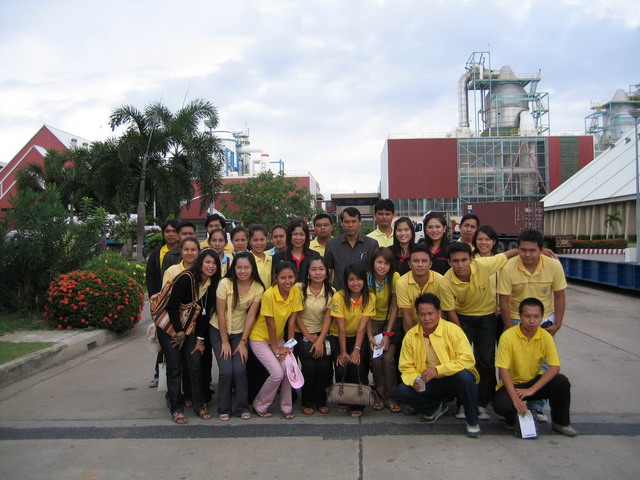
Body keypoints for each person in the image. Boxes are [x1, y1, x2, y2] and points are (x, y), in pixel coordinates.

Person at [438, 242, 519, 420]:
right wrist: (460, 333)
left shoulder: (484, 265)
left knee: (486, 361)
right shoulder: (445, 282)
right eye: (455, 261)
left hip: (487, 317)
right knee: (462, 361)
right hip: (462, 318)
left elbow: (507, 254)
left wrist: (539, 250)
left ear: (472, 259)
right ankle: (462, 403)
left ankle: (483, 403)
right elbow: (450, 310)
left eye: (464, 260)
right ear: (449, 262)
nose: (460, 265)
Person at [497, 228, 567, 422]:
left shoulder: (553, 265)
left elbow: (559, 296)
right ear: (517, 248)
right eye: (523, 250)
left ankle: (537, 406)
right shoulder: (509, 267)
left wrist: (558, 323)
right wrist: (509, 328)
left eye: (532, 250)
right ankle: (511, 400)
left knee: (541, 363)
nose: (527, 254)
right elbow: (504, 300)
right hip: (515, 318)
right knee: (510, 362)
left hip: (543, 320)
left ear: (541, 250)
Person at [396, 293, 481, 437]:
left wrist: (438, 370)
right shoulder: (411, 335)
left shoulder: (453, 330)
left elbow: (467, 359)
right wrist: (415, 379)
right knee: (402, 391)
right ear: (417, 314)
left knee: (466, 377)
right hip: (428, 381)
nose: (426, 318)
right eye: (422, 314)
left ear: (439, 312)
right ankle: (435, 408)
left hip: (452, 379)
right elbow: (406, 366)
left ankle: (472, 421)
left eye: (430, 313)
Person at [493, 297, 577, 437]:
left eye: (536, 317)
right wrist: (515, 398)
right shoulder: (508, 336)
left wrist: (532, 390)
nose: (532, 321)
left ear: (541, 317)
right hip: (513, 384)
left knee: (561, 382)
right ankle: (513, 419)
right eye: (527, 316)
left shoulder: (545, 336)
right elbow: (503, 369)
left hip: (534, 381)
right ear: (520, 316)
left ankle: (560, 422)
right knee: (501, 405)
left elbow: (554, 367)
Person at [157, 249, 221, 424]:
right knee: (175, 366)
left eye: (214, 263)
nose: (211, 266)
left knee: (195, 364)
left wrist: (200, 339)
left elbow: (204, 315)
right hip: (170, 327)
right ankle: (176, 409)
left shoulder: (212, 284)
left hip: (190, 328)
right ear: (200, 263)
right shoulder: (186, 278)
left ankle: (199, 405)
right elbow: (172, 306)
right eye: (207, 262)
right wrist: (178, 332)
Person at [210, 251, 265, 421]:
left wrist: (243, 342)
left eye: (246, 267)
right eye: (239, 267)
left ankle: (242, 407)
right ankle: (224, 408)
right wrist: (224, 341)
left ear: (252, 268)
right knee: (226, 371)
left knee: (240, 370)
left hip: (240, 332)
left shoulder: (258, 288)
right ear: (233, 268)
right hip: (219, 330)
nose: (242, 271)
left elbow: (251, 316)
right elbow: (220, 313)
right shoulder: (225, 283)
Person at [250, 261, 303, 419]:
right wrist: (276, 349)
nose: (287, 281)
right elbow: (270, 324)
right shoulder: (269, 294)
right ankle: (259, 404)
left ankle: (287, 408)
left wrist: (290, 346)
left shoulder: (295, 292)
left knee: (289, 368)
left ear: (295, 277)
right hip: (260, 338)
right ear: (276, 278)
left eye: (290, 277)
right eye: (283, 278)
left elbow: (292, 322)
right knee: (277, 373)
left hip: (279, 337)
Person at [329, 262, 375, 417]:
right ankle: (343, 399)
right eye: (351, 279)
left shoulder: (370, 297)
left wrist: (356, 350)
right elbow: (341, 327)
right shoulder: (339, 297)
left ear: (364, 280)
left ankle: (358, 403)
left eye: (359, 279)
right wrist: (343, 352)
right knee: (341, 366)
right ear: (346, 281)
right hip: (339, 336)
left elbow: (362, 327)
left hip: (358, 337)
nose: (355, 283)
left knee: (358, 366)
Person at [294, 256, 334, 415]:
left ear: (326, 272)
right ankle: (307, 401)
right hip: (301, 333)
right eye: (314, 269)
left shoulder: (331, 292)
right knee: (309, 367)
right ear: (308, 272)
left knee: (324, 367)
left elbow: (328, 318)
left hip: (322, 334)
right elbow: (296, 315)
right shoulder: (299, 288)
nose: (318, 273)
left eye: (321, 269)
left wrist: (320, 340)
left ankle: (321, 400)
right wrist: (309, 336)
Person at [367, 247, 401, 412]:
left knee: (388, 359)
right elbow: (365, 311)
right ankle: (380, 395)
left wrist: (387, 333)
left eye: (386, 263)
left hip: (390, 322)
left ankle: (391, 396)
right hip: (371, 322)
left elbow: (395, 307)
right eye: (379, 262)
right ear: (373, 262)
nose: (382, 267)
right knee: (376, 359)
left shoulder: (394, 277)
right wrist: (369, 336)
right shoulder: (366, 278)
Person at [146, 219, 179, 388]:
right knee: (163, 339)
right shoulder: (157, 253)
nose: (171, 234)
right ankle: (159, 375)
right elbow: (151, 277)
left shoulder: (185, 251)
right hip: (162, 303)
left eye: (174, 231)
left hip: (180, 303)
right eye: (167, 231)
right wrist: (155, 299)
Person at [325, 207, 378, 290]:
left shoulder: (371, 244)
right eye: (346, 222)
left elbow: (376, 272)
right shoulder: (332, 244)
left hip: (365, 293)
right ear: (341, 223)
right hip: (340, 293)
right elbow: (328, 272)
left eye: (354, 221)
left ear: (360, 222)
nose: (350, 225)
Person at [395, 244, 444, 332]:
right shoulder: (401, 283)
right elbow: (407, 316)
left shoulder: (441, 280)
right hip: (412, 327)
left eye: (424, 261)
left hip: (436, 327)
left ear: (430, 264)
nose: (420, 264)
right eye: (416, 261)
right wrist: (414, 337)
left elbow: (440, 312)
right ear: (409, 264)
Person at [272, 218, 320, 282]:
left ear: (306, 236)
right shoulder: (279, 257)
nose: (298, 238)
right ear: (289, 236)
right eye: (295, 234)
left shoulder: (314, 255)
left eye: (301, 234)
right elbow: (275, 281)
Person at [249, 224, 272, 288]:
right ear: (250, 241)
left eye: (262, 239)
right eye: (255, 240)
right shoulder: (247, 260)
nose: (259, 243)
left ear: (267, 239)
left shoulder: (272, 259)